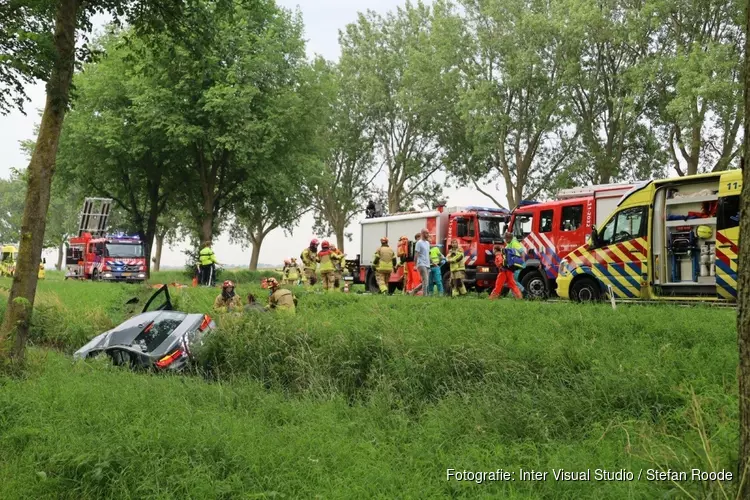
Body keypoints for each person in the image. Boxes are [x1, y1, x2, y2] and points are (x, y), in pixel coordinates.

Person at [414, 228, 431, 295]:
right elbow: (416, 254)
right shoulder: (419, 243)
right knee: (425, 280)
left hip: (427, 264)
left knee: (426, 281)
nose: (428, 234)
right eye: (426, 233)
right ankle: (425, 295)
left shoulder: (427, 243)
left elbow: (428, 254)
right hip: (421, 264)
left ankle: (413, 292)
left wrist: (432, 262)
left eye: (428, 233)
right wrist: (415, 265)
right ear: (423, 233)